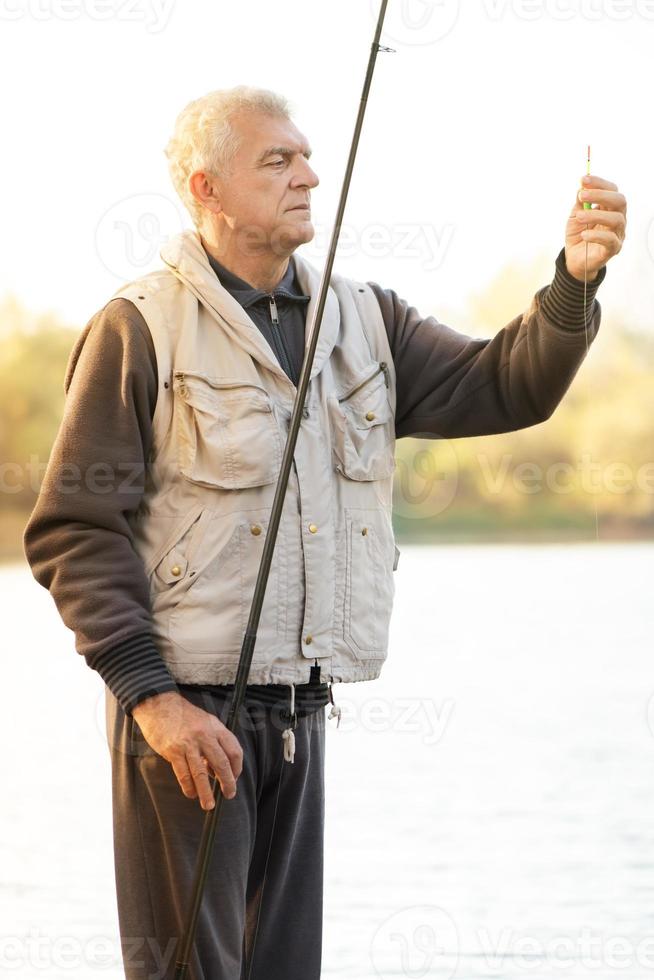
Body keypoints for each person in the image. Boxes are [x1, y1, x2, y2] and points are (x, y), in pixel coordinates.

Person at [23, 85, 626, 980]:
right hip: (181, 720)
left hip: (300, 714)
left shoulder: (369, 317)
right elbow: (75, 528)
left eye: (307, 155)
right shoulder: (139, 325)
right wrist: (154, 702)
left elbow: (510, 386)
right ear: (208, 188)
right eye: (277, 160)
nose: (310, 174)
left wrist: (572, 284)